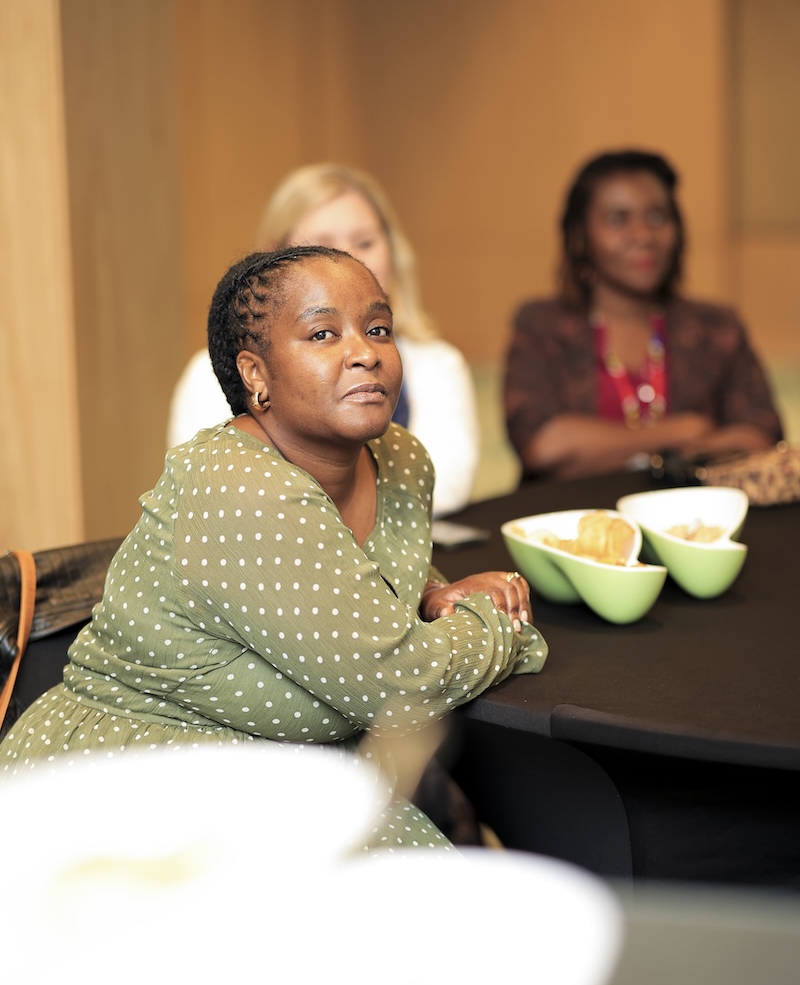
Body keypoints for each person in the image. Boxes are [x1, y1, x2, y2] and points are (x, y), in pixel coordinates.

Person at [3, 246, 547, 851]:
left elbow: (359, 573)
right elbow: (403, 685)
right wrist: (496, 621)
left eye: (377, 329)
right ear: (256, 375)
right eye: (323, 334)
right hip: (134, 779)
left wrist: (431, 594)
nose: (366, 352)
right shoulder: (239, 485)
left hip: (286, 774)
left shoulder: (401, 460)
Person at [168, 163, 480, 517]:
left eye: (365, 242)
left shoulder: (438, 363)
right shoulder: (207, 375)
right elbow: (212, 492)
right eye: (322, 247)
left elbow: (445, 484)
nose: (348, 261)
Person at [504, 149, 784, 479]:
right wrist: (686, 431)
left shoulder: (716, 327)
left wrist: (615, 452)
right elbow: (544, 447)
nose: (643, 235)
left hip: (691, 509)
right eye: (618, 219)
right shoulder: (542, 325)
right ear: (581, 235)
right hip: (571, 511)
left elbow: (761, 438)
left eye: (656, 217)